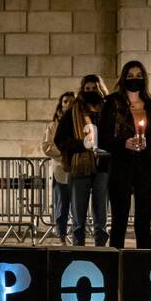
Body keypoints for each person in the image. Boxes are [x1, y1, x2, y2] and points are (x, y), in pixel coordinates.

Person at [99, 61, 151, 249]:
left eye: (138, 75)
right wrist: (123, 144)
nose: (134, 79)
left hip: (146, 167)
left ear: (144, 79)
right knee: (119, 221)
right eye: (130, 76)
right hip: (121, 166)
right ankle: (116, 264)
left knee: (143, 222)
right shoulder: (112, 104)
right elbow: (102, 139)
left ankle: (143, 265)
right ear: (123, 79)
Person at [54, 75, 110, 246]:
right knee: (78, 211)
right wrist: (81, 145)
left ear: (100, 90)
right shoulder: (73, 112)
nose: (91, 92)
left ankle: (101, 245)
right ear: (82, 90)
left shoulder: (108, 111)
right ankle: (79, 246)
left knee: (101, 211)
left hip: (103, 166)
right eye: (87, 89)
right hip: (80, 166)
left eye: (94, 88)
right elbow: (60, 139)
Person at [43, 91, 75, 244]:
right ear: (61, 105)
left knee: (77, 206)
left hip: (78, 169)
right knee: (62, 205)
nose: (68, 103)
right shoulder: (53, 126)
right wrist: (64, 155)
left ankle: (77, 236)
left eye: (71, 101)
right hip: (61, 171)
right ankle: (62, 236)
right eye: (65, 101)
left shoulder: (80, 122)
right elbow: (47, 146)